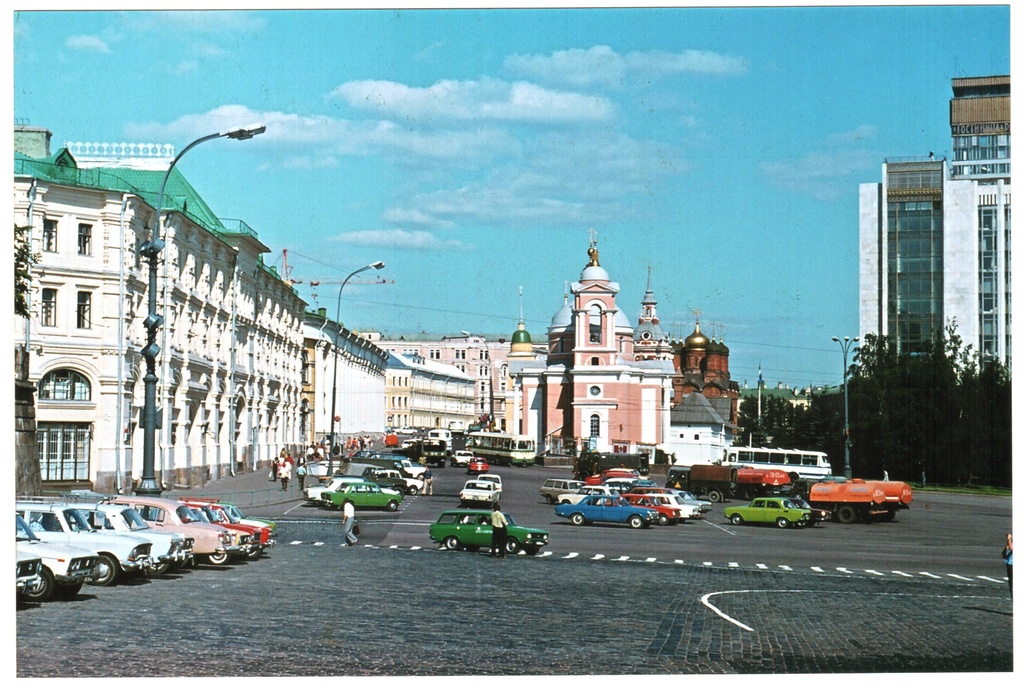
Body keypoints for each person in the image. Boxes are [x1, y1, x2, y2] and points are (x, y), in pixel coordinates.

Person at [1002, 533, 1013, 598]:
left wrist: (1009, 540)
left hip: (1012, 564)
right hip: (1009, 564)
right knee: (1010, 581)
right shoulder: (1008, 544)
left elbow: (1012, 549)